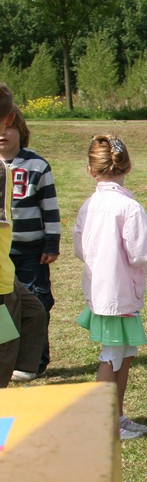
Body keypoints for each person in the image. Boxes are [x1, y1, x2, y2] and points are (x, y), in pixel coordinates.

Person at [73, 134, 147, 439]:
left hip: (107, 290)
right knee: (112, 356)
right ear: (128, 166)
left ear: (90, 169)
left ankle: (117, 415)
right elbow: (140, 252)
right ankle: (103, 422)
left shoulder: (89, 205)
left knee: (123, 353)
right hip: (118, 291)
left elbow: (79, 248)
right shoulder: (128, 207)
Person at [3, 107, 60, 380]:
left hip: (31, 251)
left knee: (37, 304)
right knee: (4, 308)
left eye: (9, 127)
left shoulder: (37, 166)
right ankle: (8, 359)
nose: (3, 133)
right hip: (1, 252)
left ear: (21, 131)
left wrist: (51, 243)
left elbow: (50, 207)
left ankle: (34, 361)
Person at [0, 84, 47, 389]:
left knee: (34, 312)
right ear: (9, 117)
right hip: (1, 284)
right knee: (3, 348)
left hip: (7, 273)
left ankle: (26, 368)